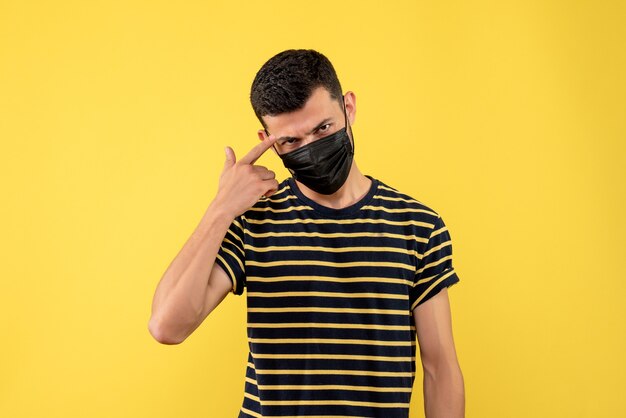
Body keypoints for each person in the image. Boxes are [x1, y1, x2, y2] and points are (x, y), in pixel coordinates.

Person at [149, 49, 465, 418]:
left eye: (323, 128)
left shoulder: (418, 226)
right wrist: (220, 208)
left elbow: (440, 368)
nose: (312, 150)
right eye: (291, 142)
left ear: (348, 108)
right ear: (267, 139)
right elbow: (167, 326)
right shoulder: (253, 220)